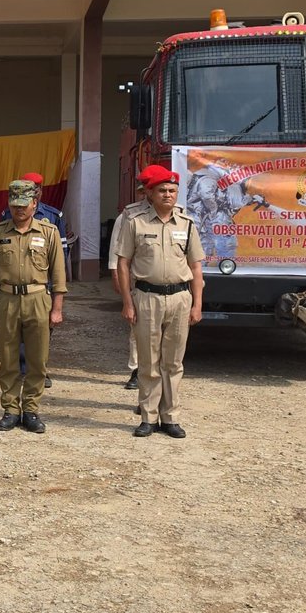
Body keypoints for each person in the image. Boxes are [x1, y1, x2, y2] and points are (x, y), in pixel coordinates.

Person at [116, 164, 204, 439]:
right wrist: (127, 302)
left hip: (180, 298)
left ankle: (170, 418)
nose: (168, 195)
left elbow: (196, 266)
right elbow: (123, 263)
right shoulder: (136, 222)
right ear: (151, 194)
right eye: (162, 190)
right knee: (148, 361)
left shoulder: (187, 224)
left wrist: (197, 304)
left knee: (173, 362)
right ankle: (148, 417)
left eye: (172, 190)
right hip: (146, 298)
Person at [0, 179, 66, 433]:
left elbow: (58, 275)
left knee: (37, 359)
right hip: (6, 300)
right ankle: (10, 409)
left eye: (24, 204)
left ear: (34, 204)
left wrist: (57, 308)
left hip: (38, 299)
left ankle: (31, 409)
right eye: (15, 204)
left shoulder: (49, 232)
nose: (19, 209)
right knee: (7, 358)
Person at [109, 183, 150, 389]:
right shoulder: (128, 215)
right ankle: (136, 369)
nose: (143, 195)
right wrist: (115, 273)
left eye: (146, 191)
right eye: (141, 191)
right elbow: (116, 248)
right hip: (136, 279)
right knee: (137, 326)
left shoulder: (177, 216)